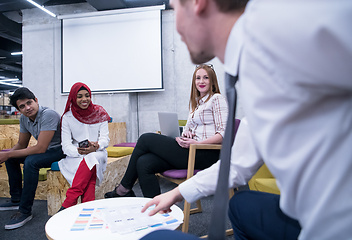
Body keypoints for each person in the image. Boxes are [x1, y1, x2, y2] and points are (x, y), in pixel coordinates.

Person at [140, 0, 352, 239]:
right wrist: (176, 194)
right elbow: (239, 163)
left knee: (155, 237)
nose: (175, 25)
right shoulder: (252, 68)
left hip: (333, 227)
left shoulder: (283, 29)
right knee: (241, 205)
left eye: (174, 7)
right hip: (305, 213)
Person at [104, 64, 228, 198]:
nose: (201, 81)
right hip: (192, 150)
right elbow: (189, 128)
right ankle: (155, 207)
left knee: (146, 139)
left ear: (213, 81)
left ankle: (123, 189)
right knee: (144, 163)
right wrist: (186, 134)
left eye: (206, 78)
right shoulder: (196, 104)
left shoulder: (217, 99)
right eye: (198, 78)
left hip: (206, 153)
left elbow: (223, 134)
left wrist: (197, 143)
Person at [0, 87, 65, 230]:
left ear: (36, 101)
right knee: (12, 159)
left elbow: (40, 148)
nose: (27, 108)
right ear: (19, 109)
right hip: (46, 150)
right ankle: (16, 199)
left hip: (60, 149)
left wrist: (8, 153)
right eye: (22, 106)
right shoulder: (24, 118)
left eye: (29, 103)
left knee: (31, 162)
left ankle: (24, 210)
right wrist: (4, 155)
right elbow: (21, 144)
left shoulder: (49, 115)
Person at [58, 82, 111, 210]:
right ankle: (88, 208)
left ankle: (70, 200)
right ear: (73, 98)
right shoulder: (67, 117)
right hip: (76, 155)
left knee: (91, 158)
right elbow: (65, 145)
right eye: (80, 96)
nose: (84, 99)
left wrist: (97, 146)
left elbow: (105, 139)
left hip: (98, 152)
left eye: (87, 95)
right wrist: (79, 151)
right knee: (90, 163)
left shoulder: (100, 112)